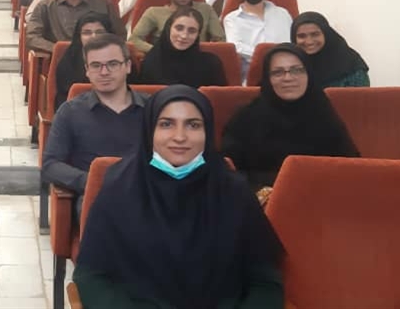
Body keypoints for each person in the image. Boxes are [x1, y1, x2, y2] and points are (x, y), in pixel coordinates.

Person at [74, 85, 284, 309]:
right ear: (150, 131)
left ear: (207, 132)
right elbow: (91, 276)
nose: (180, 137)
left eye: (193, 125)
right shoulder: (119, 190)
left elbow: (265, 282)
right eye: (167, 124)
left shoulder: (235, 193)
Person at [222, 43, 359, 201]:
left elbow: (349, 165)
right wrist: (260, 192)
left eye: (297, 70)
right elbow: (228, 169)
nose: (288, 78)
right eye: (278, 72)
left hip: (321, 198)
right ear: (267, 78)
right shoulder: (246, 118)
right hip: (261, 201)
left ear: (309, 74)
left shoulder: (323, 112)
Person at [43, 34, 148, 205]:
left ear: (128, 66)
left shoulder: (153, 110)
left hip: (146, 193)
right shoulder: (70, 112)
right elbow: (50, 165)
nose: (104, 72)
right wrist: (92, 180)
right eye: (96, 65)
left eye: (112, 64)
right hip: (97, 197)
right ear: (87, 70)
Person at [223, 0, 293, 81]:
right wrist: (269, 56)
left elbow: (291, 42)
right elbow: (237, 48)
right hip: (252, 72)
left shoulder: (283, 14)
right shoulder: (232, 19)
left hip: (287, 69)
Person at [129, 0, 226, 53]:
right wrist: (158, 51)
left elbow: (220, 40)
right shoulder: (154, 12)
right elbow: (134, 39)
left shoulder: (205, 9)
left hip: (197, 59)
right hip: (164, 60)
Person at [138, 7, 227, 87]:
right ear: (169, 29)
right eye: (179, 28)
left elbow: (219, 98)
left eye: (192, 31)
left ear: (198, 35)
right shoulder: (151, 61)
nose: (184, 36)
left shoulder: (211, 64)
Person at [292, 12, 370, 88]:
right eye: (301, 36)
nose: (309, 41)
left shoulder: (351, 64)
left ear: (326, 34)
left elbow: (360, 95)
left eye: (315, 34)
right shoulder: (291, 64)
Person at [53, 13, 112, 110]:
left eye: (100, 32)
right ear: (79, 36)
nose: (93, 37)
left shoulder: (121, 57)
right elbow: (63, 96)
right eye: (87, 33)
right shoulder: (69, 59)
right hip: (76, 110)